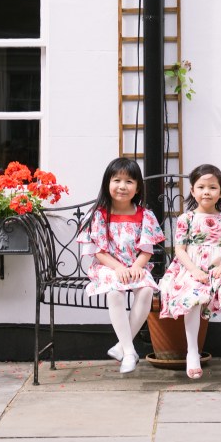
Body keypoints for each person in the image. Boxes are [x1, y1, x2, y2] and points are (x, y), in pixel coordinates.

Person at [158, 163, 221, 379]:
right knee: (194, 298)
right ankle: (192, 352)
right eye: (201, 187)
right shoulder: (186, 219)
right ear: (192, 190)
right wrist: (194, 270)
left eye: (212, 187)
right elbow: (179, 250)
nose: (206, 192)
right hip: (191, 270)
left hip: (218, 270)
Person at [76, 157, 165, 374]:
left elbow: (146, 250)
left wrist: (135, 267)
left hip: (135, 266)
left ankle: (121, 347)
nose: (122, 186)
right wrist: (119, 268)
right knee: (114, 292)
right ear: (107, 183)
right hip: (108, 267)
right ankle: (130, 351)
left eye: (129, 182)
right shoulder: (99, 215)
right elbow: (98, 251)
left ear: (137, 188)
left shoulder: (144, 215)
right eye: (117, 180)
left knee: (146, 290)